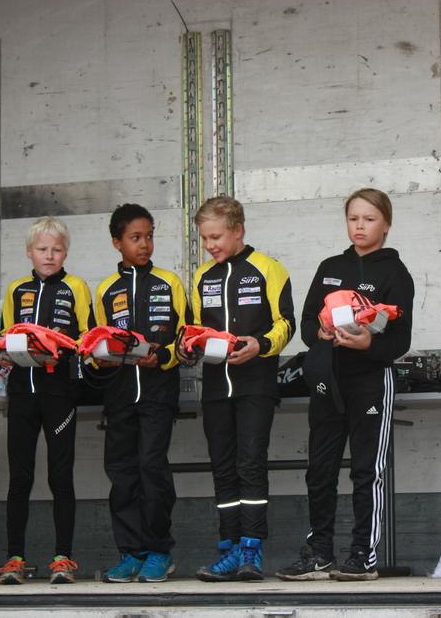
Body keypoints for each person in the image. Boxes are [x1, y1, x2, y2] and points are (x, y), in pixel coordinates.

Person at [276, 188, 414, 582]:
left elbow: (400, 340)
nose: (360, 226)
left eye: (369, 219)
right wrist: (319, 333)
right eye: (353, 219)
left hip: (369, 381)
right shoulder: (330, 267)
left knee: (366, 470)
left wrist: (369, 343)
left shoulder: (395, 274)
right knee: (319, 469)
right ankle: (319, 554)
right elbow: (306, 323)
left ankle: (362, 556)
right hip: (327, 381)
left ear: (386, 225)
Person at [184, 196, 295, 582]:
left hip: (255, 385)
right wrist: (188, 345)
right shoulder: (202, 276)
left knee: (250, 464)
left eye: (216, 237)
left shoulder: (268, 268)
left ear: (238, 230)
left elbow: (286, 323)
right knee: (223, 468)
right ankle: (228, 549)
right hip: (215, 387)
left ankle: (252, 549)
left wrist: (260, 345)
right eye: (204, 238)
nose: (210, 245)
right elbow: (194, 328)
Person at [0, 216, 94, 585]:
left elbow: (87, 337)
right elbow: (5, 334)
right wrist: (3, 352)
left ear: (65, 252)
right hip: (22, 392)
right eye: (42, 249)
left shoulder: (76, 287)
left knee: (60, 475)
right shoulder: (16, 289)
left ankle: (63, 558)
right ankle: (14, 558)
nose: (49, 255)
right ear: (29, 252)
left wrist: (61, 346)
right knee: (19, 477)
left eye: (56, 249)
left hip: (59, 392)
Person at [95, 204, 188, 583]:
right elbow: (95, 342)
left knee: (152, 467)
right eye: (135, 238)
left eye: (149, 236)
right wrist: (99, 359)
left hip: (158, 393)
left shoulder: (170, 282)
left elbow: (186, 339)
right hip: (119, 396)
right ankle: (130, 553)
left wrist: (162, 356)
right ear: (117, 242)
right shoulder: (105, 289)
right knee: (122, 473)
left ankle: (159, 551)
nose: (144, 244)